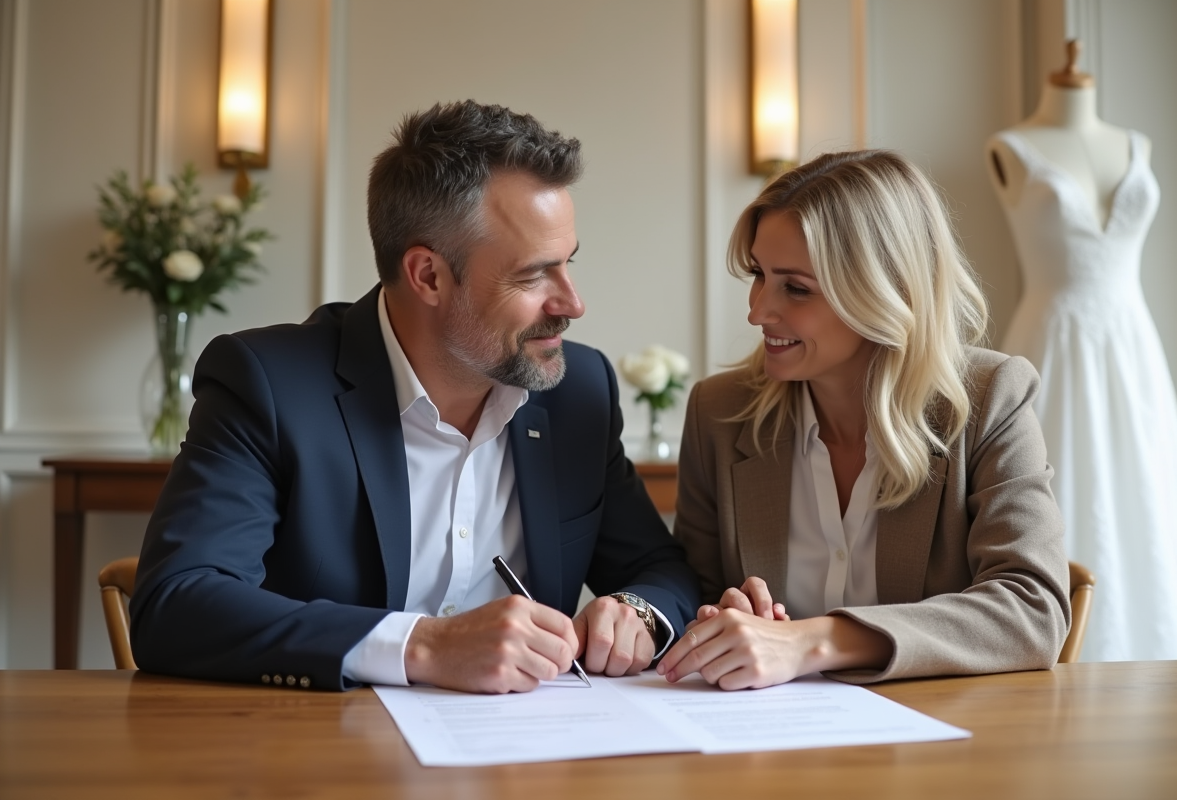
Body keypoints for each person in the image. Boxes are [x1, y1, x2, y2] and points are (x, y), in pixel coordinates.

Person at [130, 100, 700, 693]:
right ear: (428, 275)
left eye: (568, 265)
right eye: (534, 275)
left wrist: (638, 611)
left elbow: (660, 569)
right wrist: (422, 644)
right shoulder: (269, 384)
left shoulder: (578, 390)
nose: (572, 303)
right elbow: (176, 603)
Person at [656, 149, 1070, 690]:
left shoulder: (990, 397)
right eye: (759, 275)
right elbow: (696, 592)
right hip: (767, 747)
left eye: (796, 288)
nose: (758, 311)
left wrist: (812, 641)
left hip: (944, 746)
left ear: (885, 290)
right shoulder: (719, 412)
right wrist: (720, 616)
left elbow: (1033, 611)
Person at [986, 41, 1177, 662]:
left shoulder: (1137, 145)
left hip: (1132, 349)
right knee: (1056, 491)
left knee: (1143, 506)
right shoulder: (1011, 146)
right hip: (1053, 342)